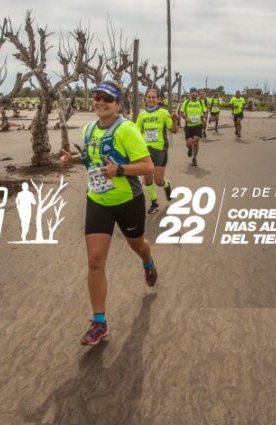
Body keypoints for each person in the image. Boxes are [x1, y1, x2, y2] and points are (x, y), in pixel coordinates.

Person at [60, 81, 158, 346]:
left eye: (107, 99)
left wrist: (121, 170)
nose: (100, 102)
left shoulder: (126, 130)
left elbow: (148, 167)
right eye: (97, 97)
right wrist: (73, 159)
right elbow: (92, 158)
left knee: (137, 245)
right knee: (94, 260)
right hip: (98, 200)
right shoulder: (89, 128)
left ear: (118, 104)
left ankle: (148, 262)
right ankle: (99, 322)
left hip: (127, 200)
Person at [136, 87, 179, 214]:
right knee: (147, 179)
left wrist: (175, 119)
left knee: (158, 181)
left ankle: (167, 186)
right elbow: (137, 133)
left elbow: (174, 130)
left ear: (158, 99)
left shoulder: (164, 113)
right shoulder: (141, 115)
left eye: (153, 97)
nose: (151, 99)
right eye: (148, 97)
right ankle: (154, 203)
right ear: (145, 99)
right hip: (145, 151)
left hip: (160, 150)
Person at [180, 87, 207, 166]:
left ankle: (194, 158)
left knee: (195, 142)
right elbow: (181, 113)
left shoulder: (201, 102)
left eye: (195, 92)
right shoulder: (186, 102)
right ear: (190, 94)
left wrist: (204, 118)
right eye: (192, 92)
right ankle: (189, 148)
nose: (193, 93)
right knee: (188, 143)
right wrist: (186, 118)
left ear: (197, 94)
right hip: (189, 126)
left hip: (198, 125)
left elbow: (205, 111)